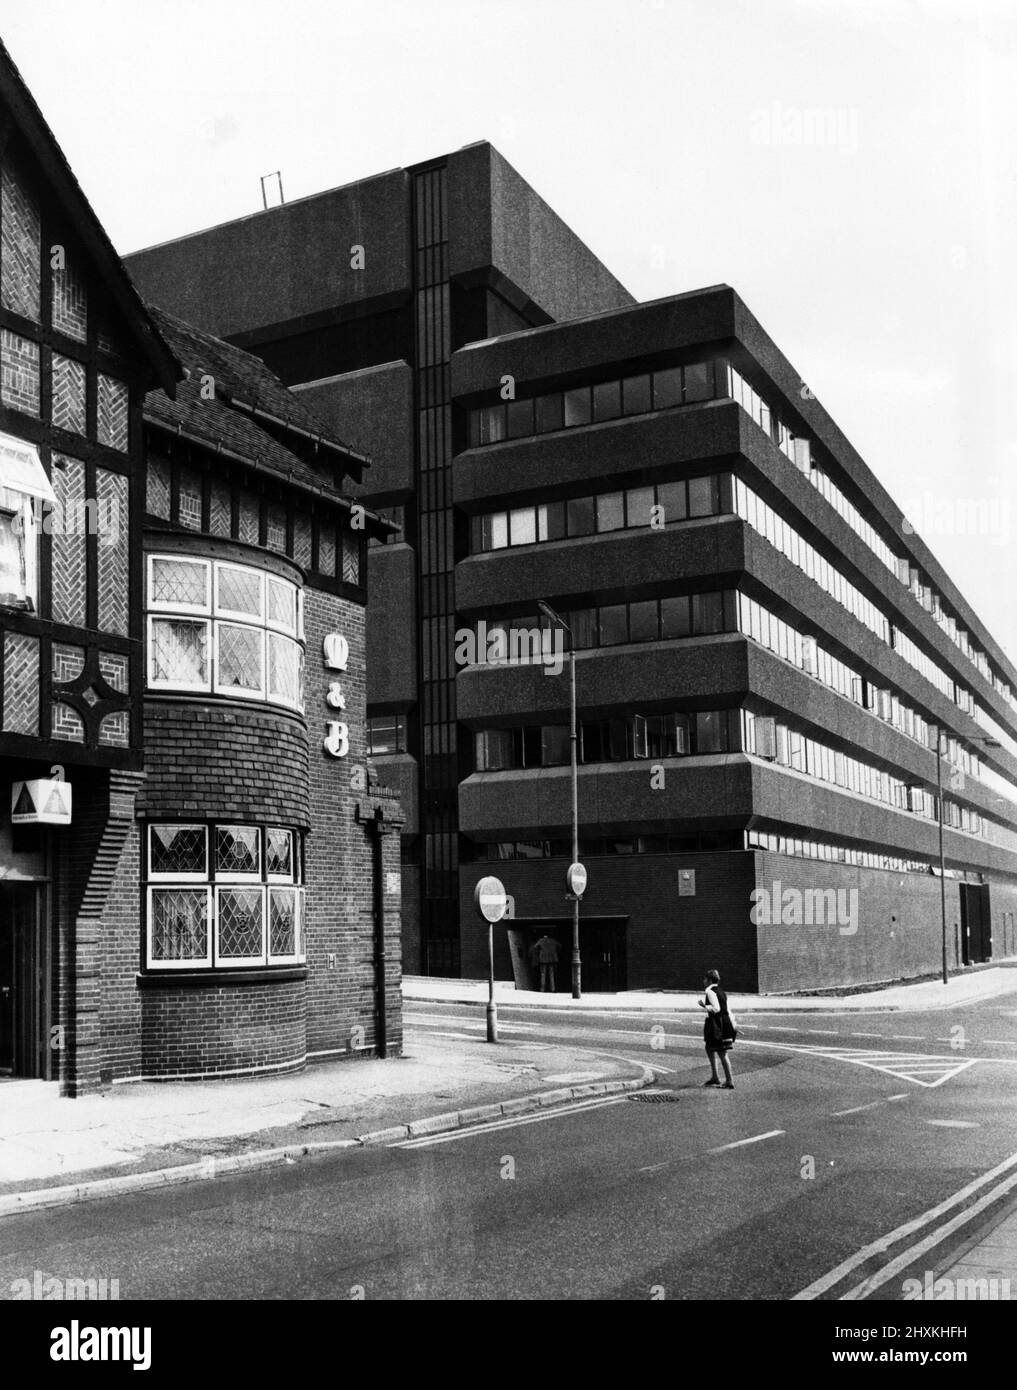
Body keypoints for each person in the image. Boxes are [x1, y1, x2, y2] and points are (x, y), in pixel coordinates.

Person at [698, 968, 735, 1089]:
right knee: (709, 1047)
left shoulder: (710, 992)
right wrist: (733, 1025)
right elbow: (728, 1009)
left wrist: (705, 1006)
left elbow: (717, 1008)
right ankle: (715, 1077)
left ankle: (729, 1081)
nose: (703, 981)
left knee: (722, 1052)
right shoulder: (721, 991)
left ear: (709, 980)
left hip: (717, 1024)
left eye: (705, 978)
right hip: (725, 1022)